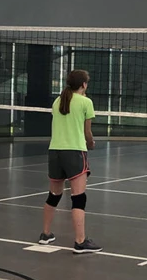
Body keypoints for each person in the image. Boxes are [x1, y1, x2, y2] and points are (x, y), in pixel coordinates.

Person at [39, 70, 102, 254]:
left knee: (54, 194)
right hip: (74, 152)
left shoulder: (58, 100)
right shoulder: (86, 102)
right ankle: (80, 241)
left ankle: (46, 234)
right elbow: (87, 132)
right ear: (83, 84)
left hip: (55, 152)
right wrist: (90, 144)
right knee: (78, 197)